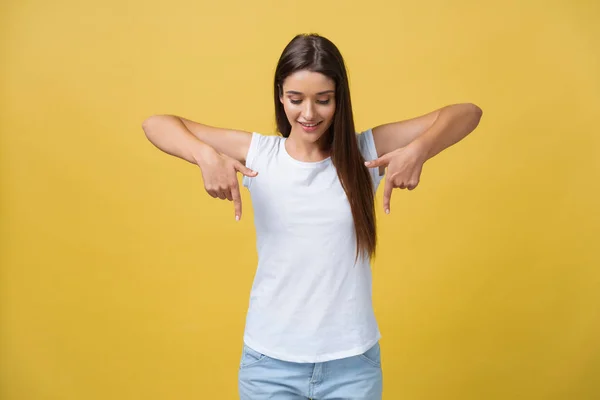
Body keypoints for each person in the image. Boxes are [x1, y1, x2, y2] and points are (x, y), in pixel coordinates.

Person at [142, 33, 482, 400]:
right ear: (280, 95)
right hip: (268, 364)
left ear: (339, 99)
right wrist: (204, 156)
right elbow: (156, 124)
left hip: (351, 365)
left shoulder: (364, 152)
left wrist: (419, 150)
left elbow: (467, 113)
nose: (308, 113)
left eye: (323, 100)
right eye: (295, 99)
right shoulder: (260, 155)